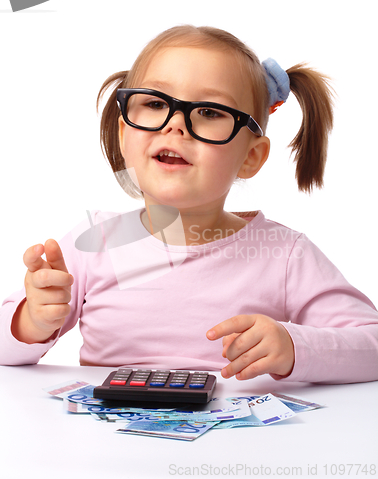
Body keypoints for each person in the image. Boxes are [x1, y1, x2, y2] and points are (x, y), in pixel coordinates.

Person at [1, 25, 377, 384]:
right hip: (110, 444)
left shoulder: (285, 256)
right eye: (153, 102)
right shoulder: (96, 241)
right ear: (123, 133)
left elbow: (372, 346)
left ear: (251, 157)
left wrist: (294, 347)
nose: (175, 125)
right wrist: (31, 322)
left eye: (210, 111)